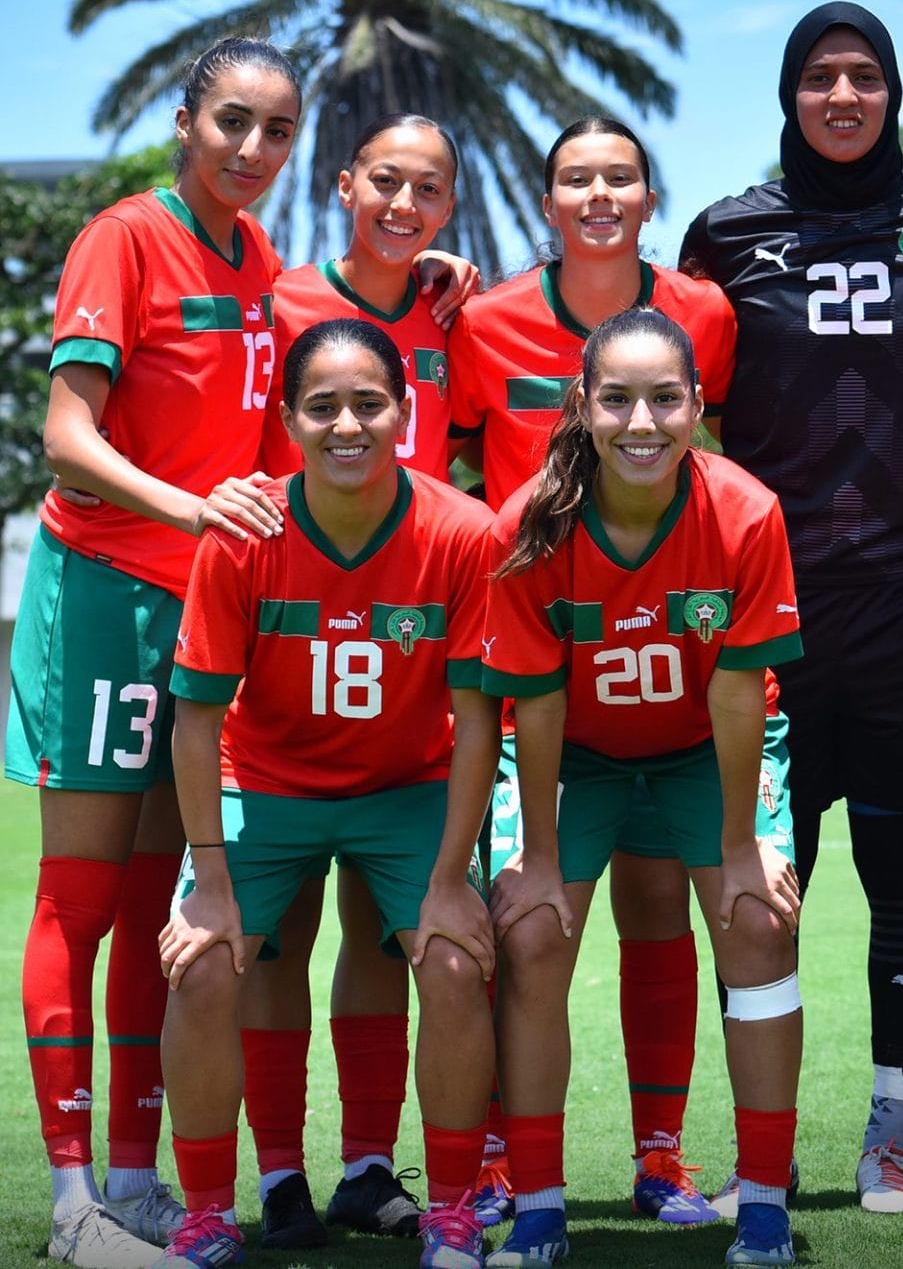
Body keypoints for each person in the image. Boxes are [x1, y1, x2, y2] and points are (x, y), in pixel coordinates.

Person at [680, 1, 903, 1210]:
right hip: (766, 605)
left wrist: (901, 464)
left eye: (865, 75)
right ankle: (757, 1156)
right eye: (820, 77)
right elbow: (673, 392)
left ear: (894, 91)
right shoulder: (725, 234)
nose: (843, 96)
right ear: (787, 94)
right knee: (763, 876)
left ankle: (890, 1141)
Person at [5, 37, 301, 1269]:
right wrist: (195, 511)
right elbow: (66, 437)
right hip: (103, 594)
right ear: (185, 120)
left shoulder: (265, 260)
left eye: (277, 131)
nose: (252, 147)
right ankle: (73, 1202)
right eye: (231, 120)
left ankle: (136, 1180)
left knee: (155, 907)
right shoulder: (124, 235)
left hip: (198, 617)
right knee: (78, 898)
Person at [153, 318, 500, 1269]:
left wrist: (450, 876)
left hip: (407, 784)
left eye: (369, 403)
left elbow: (477, 718)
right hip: (263, 783)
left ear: (406, 411)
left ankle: (457, 1209)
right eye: (322, 407)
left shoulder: (463, 532)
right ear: (289, 421)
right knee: (206, 961)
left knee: (459, 957)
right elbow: (193, 718)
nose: (348, 425)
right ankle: (209, 1211)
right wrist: (212, 883)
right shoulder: (246, 533)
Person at [447, 117, 740, 1227]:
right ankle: (504, 1160)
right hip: (531, 660)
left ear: (651, 194)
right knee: (527, 918)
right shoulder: (482, 319)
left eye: (620, 176)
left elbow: (713, 461)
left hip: (663, 653)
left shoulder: (704, 312)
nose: (600, 193)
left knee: (659, 903)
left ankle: (660, 1159)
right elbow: (469, 468)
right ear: (547, 198)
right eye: (578, 178)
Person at [481, 307, 805, 1269]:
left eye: (666, 399)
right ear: (581, 406)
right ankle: (538, 1208)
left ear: (699, 405)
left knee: (758, 920)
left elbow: (741, 694)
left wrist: (744, 847)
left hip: (705, 751)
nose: (641, 423)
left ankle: (764, 1210)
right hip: (574, 757)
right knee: (533, 931)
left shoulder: (746, 511)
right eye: (616, 399)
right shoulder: (532, 522)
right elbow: (532, 709)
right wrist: (539, 861)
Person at [242, 113, 466, 1248]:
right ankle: (276, 1175)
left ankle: (370, 1169)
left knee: (385, 937)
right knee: (270, 944)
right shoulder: (276, 303)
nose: (403, 205)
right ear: (344, 184)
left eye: (429, 189)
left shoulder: (446, 312)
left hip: (407, 674)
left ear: (448, 209)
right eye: (386, 180)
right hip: (286, 664)